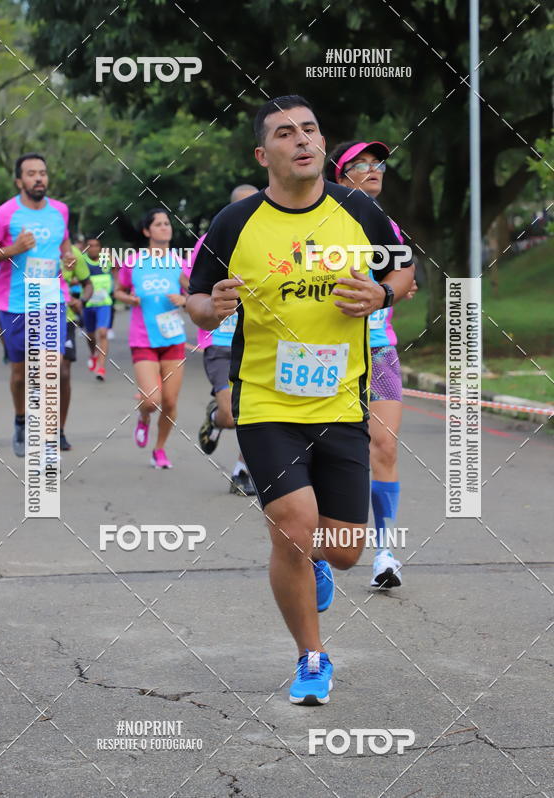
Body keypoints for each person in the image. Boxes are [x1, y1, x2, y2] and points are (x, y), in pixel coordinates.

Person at [187, 95, 414, 706]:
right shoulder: (233, 225)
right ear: (265, 154)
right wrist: (215, 306)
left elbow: (405, 273)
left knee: (343, 552)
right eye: (286, 134)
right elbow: (197, 301)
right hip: (265, 401)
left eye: (310, 129)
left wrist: (381, 297)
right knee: (290, 526)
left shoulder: (360, 212)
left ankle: (310, 558)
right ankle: (312, 658)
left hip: (341, 403)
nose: (303, 140)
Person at [326, 140, 417, 589]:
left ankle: (385, 552)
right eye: (359, 164)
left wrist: (394, 288)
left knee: (384, 446)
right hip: (329, 352)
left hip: (378, 348)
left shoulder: (390, 227)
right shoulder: (321, 223)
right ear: (339, 177)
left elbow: (403, 277)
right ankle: (320, 548)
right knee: (324, 452)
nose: (372, 169)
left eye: (377, 162)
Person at [0, 152, 72, 457]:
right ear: (19, 180)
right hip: (15, 303)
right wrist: (13, 249)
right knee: (20, 373)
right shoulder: (5, 214)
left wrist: (68, 257)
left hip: (52, 300)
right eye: (31, 173)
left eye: (42, 172)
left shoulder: (61, 211)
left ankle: (46, 435)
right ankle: (20, 420)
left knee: (50, 366)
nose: (39, 178)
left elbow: (64, 244)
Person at [186, 184, 258, 497]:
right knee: (230, 415)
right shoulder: (212, 240)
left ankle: (243, 469)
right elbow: (193, 286)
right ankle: (215, 417)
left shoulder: (274, 238)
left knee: (254, 413)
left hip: (259, 342)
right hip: (220, 342)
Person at [115, 208, 187, 469]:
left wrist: (185, 299)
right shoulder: (133, 261)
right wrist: (129, 298)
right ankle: (144, 418)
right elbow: (118, 291)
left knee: (169, 402)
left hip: (173, 337)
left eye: (167, 223)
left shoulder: (180, 262)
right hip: (143, 338)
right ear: (147, 231)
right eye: (158, 224)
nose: (165, 227)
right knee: (151, 400)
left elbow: (196, 295)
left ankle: (159, 449)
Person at [60, 243, 93, 450]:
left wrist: (81, 300)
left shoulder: (72, 254)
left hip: (64, 320)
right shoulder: (28, 248)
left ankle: (58, 431)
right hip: (33, 318)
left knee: (62, 373)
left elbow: (87, 284)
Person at [81, 235, 112, 381]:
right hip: (88, 304)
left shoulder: (107, 260)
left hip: (104, 303)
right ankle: (93, 353)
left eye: (96, 245)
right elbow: (75, 278)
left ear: (100, 248)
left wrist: (116, 287)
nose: (93, 248)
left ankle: (101, 367)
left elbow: (116, 272)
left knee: (103, 333)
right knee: (91, 335)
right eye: (90, 245)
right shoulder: (82, 262)